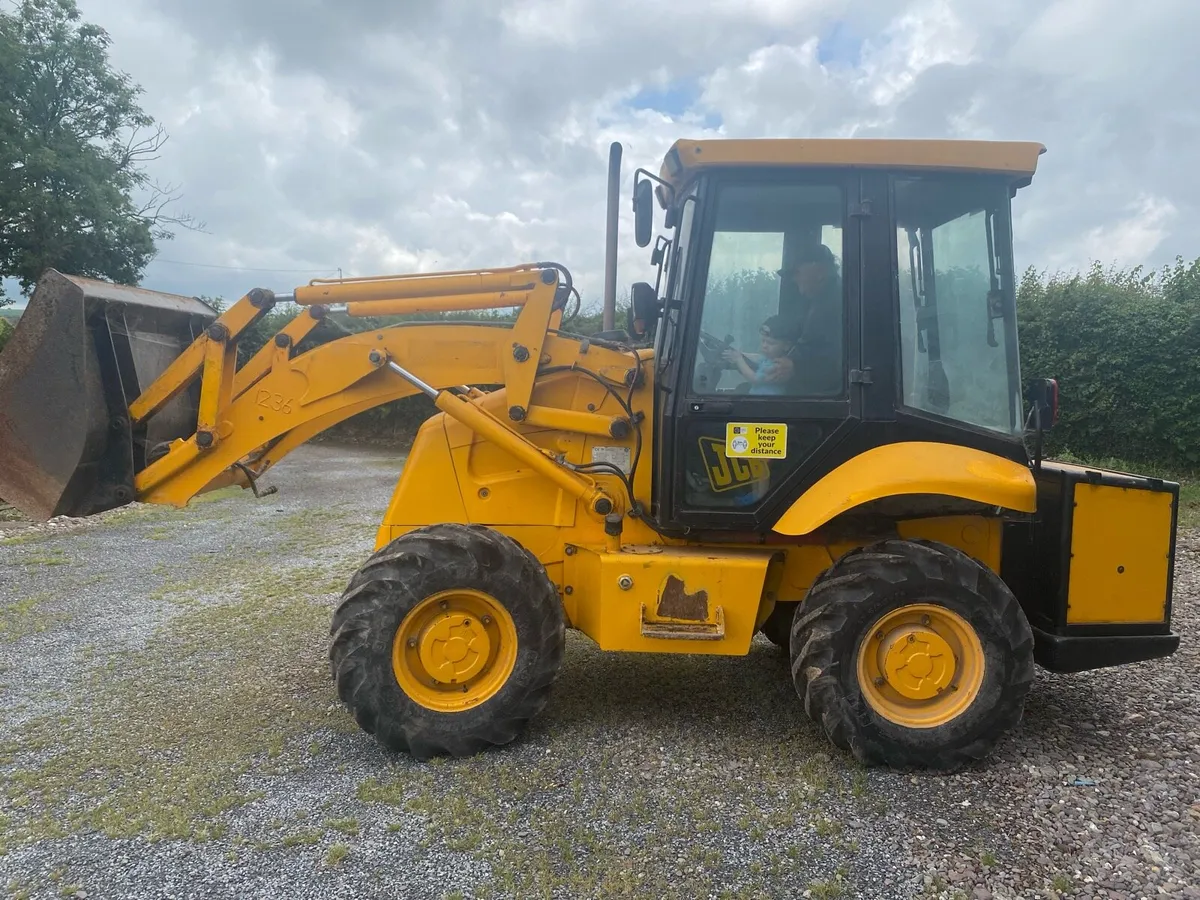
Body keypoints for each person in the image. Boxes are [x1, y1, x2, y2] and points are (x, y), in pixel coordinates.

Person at [721, 315, 800, 394]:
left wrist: (739, 360)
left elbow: (754, 379)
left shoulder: (779, 366)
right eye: (763, 341)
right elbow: (758, 357)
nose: (764, 346)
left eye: (770, 343)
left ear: (786, 346)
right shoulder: (770, 357)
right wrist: (739, 354)